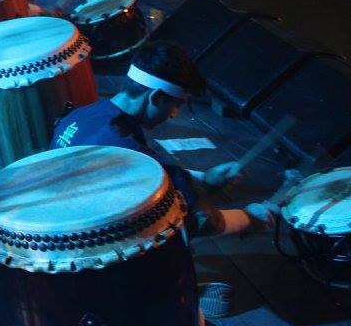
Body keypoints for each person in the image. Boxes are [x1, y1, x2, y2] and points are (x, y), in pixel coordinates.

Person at [51, 40, 276, 237]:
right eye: (176, 105)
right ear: (157, 97)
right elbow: (205, 221)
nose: (174, 114)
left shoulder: (81, 114)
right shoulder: (128, 150)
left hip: (60, 218)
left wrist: (205, 179)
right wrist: (251, 218)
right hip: (92, 238)